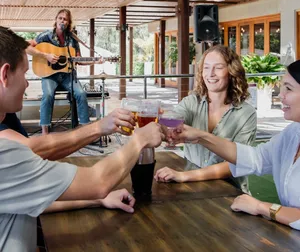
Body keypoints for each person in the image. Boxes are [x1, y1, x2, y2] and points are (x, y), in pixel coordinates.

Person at [0, 26, 165, 251]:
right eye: (25, 73)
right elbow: (97, 182)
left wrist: (97, 200)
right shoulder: (4, 154)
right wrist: (139, 140)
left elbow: (28, 194)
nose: (28, 83)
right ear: (4, 75)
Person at [168, 60, 300, 230]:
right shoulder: (293, 132)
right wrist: (201, 136)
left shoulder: (245, 112)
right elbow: (255, 158)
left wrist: (261, 207)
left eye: (288, 89)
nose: (281, 95)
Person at [155, 45, 257, 193]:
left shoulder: (246, 113)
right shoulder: (191, 102)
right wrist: (161, 119)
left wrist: (185, 176)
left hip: (230, 193)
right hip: (195, 190)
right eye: (207, 67)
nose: (211, 74)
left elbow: (236, 163)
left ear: (232, 71)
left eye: (218, 67)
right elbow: (171, 123)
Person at [26, 8, 99, 135]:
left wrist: (95, 61)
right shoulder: (45, 36)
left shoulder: (73, 39)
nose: (62, 21)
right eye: (60, 18)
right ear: (56, 20)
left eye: (65, 19)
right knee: (48, 95)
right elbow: (27, 47)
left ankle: (85, 131)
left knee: (81, 93)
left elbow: (78, 59)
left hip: (67, 75)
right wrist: (45, 56)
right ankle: (45, 132)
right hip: (49, 75)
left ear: (69, 22)